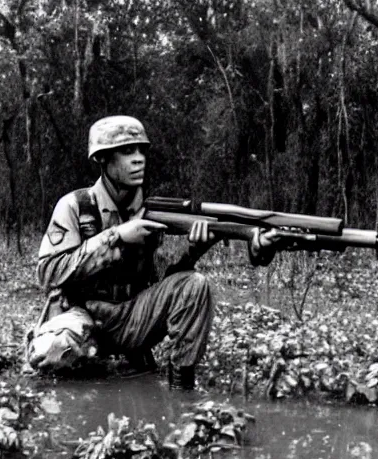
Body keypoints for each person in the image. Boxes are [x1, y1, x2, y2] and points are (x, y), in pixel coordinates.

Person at [31, 115, 278, 390]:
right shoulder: (76, 206)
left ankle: (181, 388)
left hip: (132, 317)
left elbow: (164, 279)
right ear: (102, 159)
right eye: (127, 151)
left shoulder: (151, 211)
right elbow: (49, 273)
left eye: (141, 150)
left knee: (194, 285)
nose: (139, 159)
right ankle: (91, 374)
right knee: (54, 349)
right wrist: (116, 237)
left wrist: (195, 250)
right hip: (83, 315)